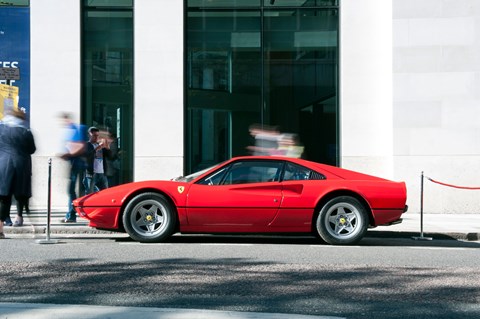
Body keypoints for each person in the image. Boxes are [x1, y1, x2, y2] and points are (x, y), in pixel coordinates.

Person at [0, 109, 36, 238]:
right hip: (21, 165)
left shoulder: (1, 129)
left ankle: (0, 227)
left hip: (4, 165)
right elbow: (32, 149)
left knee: (4, 197)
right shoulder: (25, 131)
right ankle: (19, 217)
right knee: (20, 194)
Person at [59, 113, 87, 223]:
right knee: (73, 190)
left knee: (72, 190)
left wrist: (68, 154)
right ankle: (71, 214)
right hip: (74, 163)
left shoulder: (76, 129)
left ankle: (71, 214)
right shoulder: (72, 130)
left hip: (76, 163)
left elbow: (81, 146)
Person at [83, 126, 111, 194]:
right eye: (94, 135)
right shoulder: (87, 145)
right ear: (89, 135)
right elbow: (87, 156)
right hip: (92, 174)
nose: (96, 137)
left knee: (105, 194)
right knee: (90, 194)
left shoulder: (100, 145)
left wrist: (107, 147)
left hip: (102, 173)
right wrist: (96, 149)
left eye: (97, 135)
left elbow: (110, 156)